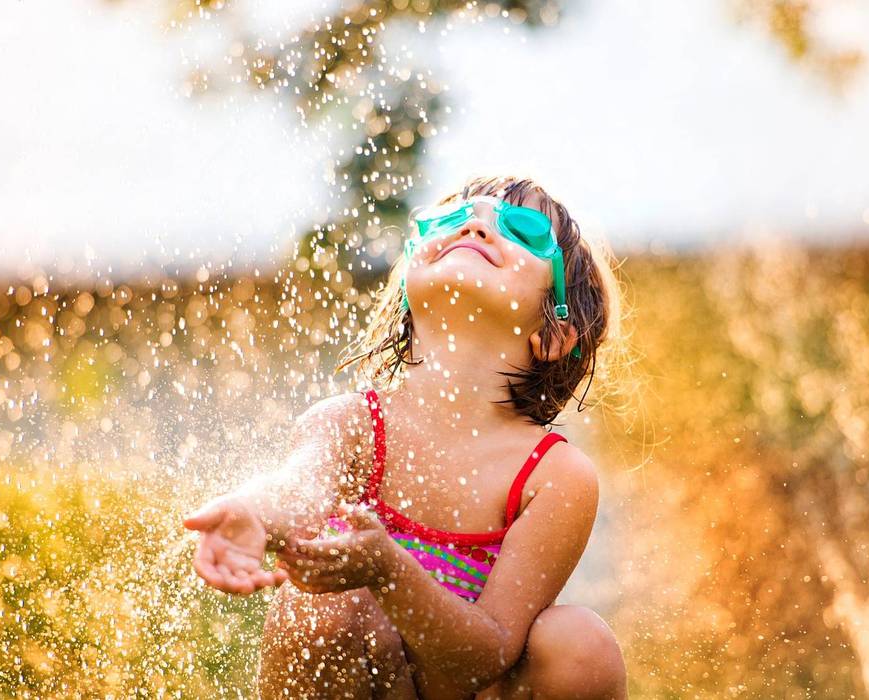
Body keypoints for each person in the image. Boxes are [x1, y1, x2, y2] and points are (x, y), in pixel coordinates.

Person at [183, 175, 627, 699]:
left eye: (523, 230)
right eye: (453, 219)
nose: (477, 226)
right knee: (324, 605)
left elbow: (486, 655)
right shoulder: (354, 425)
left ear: (553, 334)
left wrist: (390, 570)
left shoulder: (553, 474)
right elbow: (299, 490)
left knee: (579, 642)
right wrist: (252, 514)